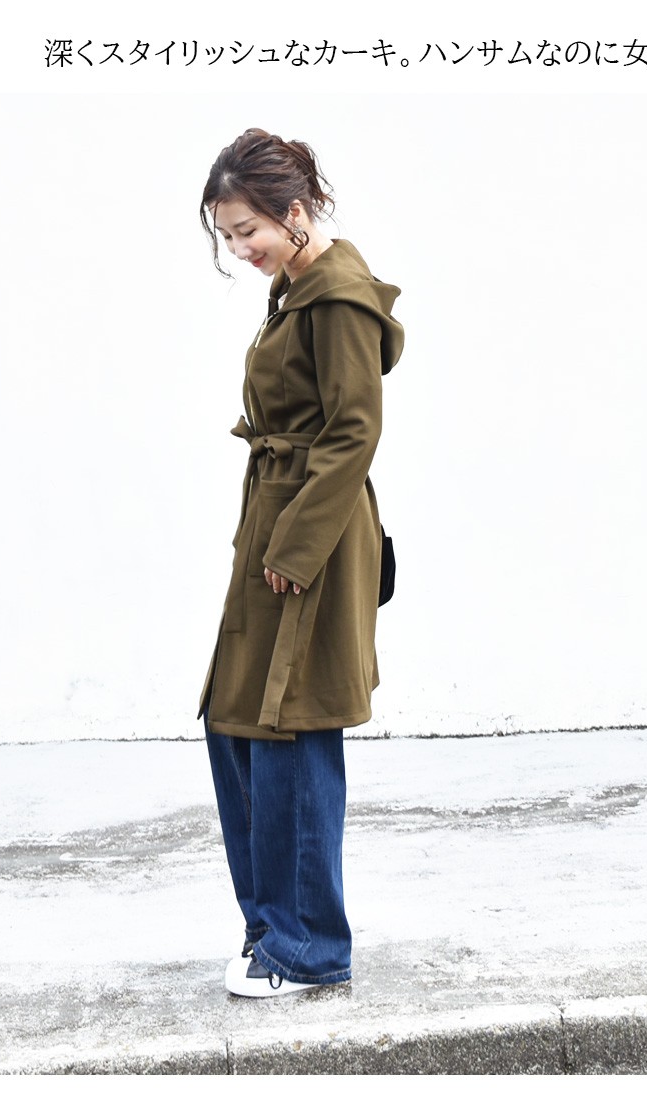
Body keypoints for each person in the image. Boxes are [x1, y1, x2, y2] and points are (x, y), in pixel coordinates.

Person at [197, 129, 403, 997]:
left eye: (247, 230)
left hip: (309, 537)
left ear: (292, 212)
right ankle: (270, 928)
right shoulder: (295, 290)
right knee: (236, 720)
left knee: (293, 726)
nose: (239, 249)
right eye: (227, 236)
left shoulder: (337, 299)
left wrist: (296, 547)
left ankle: (309, 950)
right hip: (275, 521)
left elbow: (355, 431)